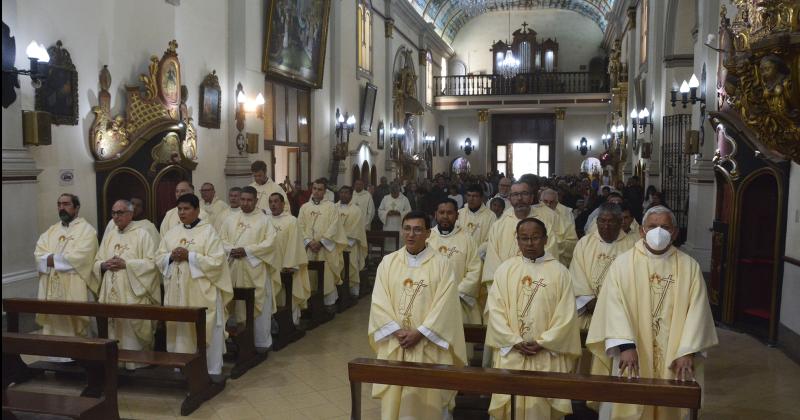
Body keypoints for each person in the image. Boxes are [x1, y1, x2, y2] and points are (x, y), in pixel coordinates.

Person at [586, 206, 718, 420]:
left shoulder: (688, 266)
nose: (658, 232)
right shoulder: (623, 264)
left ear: (674, 232)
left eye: (664, 227)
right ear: (641, 231)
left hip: (675, 353)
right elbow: (612, 307)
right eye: (652, 226)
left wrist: (687, 351)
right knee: (628, 402)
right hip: (631, 352)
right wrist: (625, 346)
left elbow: (698, 311)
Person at [368, 211, 467, 419]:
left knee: (430, 402)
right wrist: (397, 331)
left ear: (428, 233)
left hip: (429, 346)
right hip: (397, 345)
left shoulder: (442, 264)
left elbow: (446, 305)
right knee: (397, 401)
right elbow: (379, 302)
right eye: (407, 229)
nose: (411, 234)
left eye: (417, 229)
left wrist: (420, 333)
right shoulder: (388, 262)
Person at [485, 217, 581, 419]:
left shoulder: (560, 272)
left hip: (546, 355)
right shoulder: (505, 270)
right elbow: (494, 310)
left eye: (535, 238)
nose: (529, 243)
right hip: (512, 353)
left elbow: (567, 315)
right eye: (524, 238)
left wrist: (543, 342)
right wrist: (514, 340)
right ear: (517, 240)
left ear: (546, 239)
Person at [156, 193, 233, 375]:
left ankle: (210, 372)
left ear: (197, 210)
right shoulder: (172, 233)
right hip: (177, 293)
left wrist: (189, 256)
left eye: (187, 209)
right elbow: (158, 258)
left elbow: (217, 262)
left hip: (201, 293)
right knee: (181, 330)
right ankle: (182, 370)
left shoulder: (209, 232)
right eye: (180, 209)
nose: (182, 213)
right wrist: (170, 256)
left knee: (205, 330)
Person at [93, 200, 159, 369]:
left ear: (131, 213)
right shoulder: (109, 235)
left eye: (120, 212)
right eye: (114, 213)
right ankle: (116, 364)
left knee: (131, 331)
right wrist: (103, 265)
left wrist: (127, 265)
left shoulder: (142, 234)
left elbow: (152, 264)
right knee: (114, 329)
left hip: (132, 293)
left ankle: (137, 364)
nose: (116, 216)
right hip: (112, 292)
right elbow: (97, 261)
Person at [34, 194, 99, 343]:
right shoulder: (51, 231)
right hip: (53, 286)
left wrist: (52, 259)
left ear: (76, 208)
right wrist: (54, 259)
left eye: (66, 204)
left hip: (76, 286)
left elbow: (82, 257)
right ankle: (56, 357)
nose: (61, 208)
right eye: (59, 204)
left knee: (76, 328)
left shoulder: (87, 231)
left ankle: (80, 356)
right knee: (54, 322)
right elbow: (38, 253)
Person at [219, 186, 276, 350]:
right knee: (236, 305)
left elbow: (270, 244)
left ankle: (260, 343)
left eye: (249, 200)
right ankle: (238, 342)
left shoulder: (264, 220)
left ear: (256, 201)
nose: (245, 203)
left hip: (255, 270)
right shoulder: (230, 219)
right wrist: (231, 250)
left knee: (258, 307)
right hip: (234, 269)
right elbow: (220, 240)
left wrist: (247, 251)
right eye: (242, 199)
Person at [570, 203, 637, 334]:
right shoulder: (585, 243)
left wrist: (611, 305)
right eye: (602, 221)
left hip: (619, 310)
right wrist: (588, 300)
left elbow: (634, 280)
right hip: (589, 308)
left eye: (611, 221)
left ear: (620, 221)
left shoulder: (633, 246)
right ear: (597, 221)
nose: (606, 226)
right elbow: (576, 274)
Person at [483, 182, 560, 285]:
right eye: (515, 195)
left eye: (524, 194)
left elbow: (549, 258)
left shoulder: (544, 225)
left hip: (535, 284)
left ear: (532, 198)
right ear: (510, 199)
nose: (519, 198)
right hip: (505, 285)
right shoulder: (498, 226)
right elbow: (492, 263)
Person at [427, 199, 482, 323]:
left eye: (450, 213)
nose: (445, 216)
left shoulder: (467, 240)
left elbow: (475, 270)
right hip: (430, 300)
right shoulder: (427, 238)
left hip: (458, 301)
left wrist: (456, 294)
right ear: (436, 214)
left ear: (457, 215)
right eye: (441, 212)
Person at [298, 179, 348, 309]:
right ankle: (310, 303)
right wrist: (309, 242)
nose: (316, 191)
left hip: (325, 248)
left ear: (325, 192)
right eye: (314, 188)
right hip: (309, 248)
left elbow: (334, 227)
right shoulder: (304, 207)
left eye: (320, 189)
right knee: (309, 275)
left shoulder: (331, 207)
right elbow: (300, 226)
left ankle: (328, 304)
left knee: (327, 275)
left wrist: (321, 242)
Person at [265, 193, 311, 325]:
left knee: (288, 293)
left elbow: (294, 243)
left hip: (286, 266)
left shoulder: (291, 221)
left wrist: (290, 264)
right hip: (270, 265)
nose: (273, 204)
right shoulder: (265, 220)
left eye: (276, 201)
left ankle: (291, 321)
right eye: (270, 202)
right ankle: (273, 324)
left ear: (283, 204)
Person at [336, 186, 368, 297]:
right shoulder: (333, 208)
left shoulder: (356, 210)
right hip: (335, 246)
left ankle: (353, 292)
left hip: (350, 245)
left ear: (351, 195)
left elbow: (356, 228)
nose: (343, 195)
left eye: (346, 193)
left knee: (351, 266)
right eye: (341, 192)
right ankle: (338, 291)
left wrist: (344, 242)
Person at [539, 188, 578, 267]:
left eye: (551, 202)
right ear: (540, 201)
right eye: (545, 201)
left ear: (557, 203)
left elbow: (572, 241)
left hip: (559, 261)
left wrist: (555, 242)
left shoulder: (565, 215)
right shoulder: (535, 214)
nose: (548, 205)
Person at [458, 184, 497, 258]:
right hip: (461, 255)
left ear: (481, 198)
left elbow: (491, 239)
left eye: (475, 196)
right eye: (469, 195)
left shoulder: (491, 216)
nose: (471, 199)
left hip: (480, 257)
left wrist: (476, 254)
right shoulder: (459, 213)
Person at [378, 183, 412, 251]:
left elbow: (409, 211)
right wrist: (387, 213)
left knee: (400, 243)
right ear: (390, 192)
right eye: (392, 193)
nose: (394, 195)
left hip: (399, 225)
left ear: (398, 191)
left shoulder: (404, 199)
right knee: (388, 244)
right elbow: (380, 210)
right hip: (388, 225)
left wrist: (400, 213)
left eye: (396, 193)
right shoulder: (386, 198)